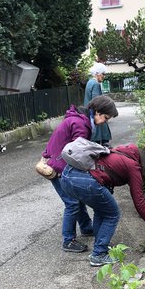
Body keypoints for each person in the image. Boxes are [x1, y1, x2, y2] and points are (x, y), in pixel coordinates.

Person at [60, 144, 145, 267]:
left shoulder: (118, 152)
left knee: (101, 210)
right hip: (86, 181)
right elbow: (139, 201)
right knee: (112, 214)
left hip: (67, 175)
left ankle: (99, 246)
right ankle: (98, 254)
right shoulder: (133, 166)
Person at [41, 95, 118, 252]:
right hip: (59, 167)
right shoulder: (81, 124)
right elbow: (77, 152)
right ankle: (68, 240)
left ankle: (86, 227)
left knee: (76, 198)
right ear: (97, 112)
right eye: (105, 117)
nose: (105, 122)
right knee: (72, 203)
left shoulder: (78, 118)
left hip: (56, 162)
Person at [84, 62, 112, 145]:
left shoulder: (89, 82)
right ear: (98, 73)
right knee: (100, 142)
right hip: (96, 115)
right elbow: (96, 102)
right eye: (103, 74)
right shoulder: (95, 84)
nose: (104, 76)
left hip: (89, 113)